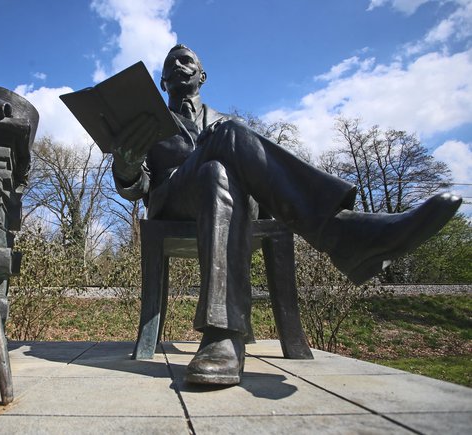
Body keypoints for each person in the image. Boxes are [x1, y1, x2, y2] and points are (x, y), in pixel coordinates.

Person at [110, 44, 461, 386]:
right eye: (170, 63)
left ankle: (222, 335)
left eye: (186, 60)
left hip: (225, 200)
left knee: (217, 169)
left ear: (202, 75)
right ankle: (341, 232)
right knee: (228, 140)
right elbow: (138, 187)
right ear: (161, 82)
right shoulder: (149, 124)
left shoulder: (224, 120)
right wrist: (125, 166)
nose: (178, 65)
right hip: (172, 199)